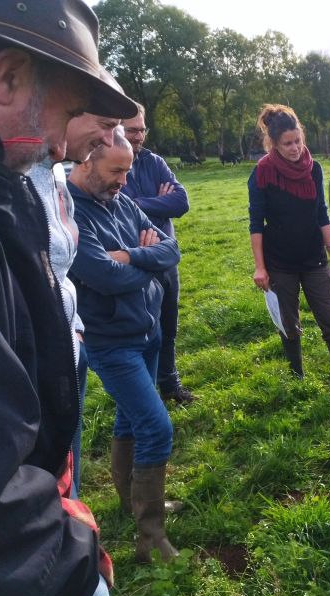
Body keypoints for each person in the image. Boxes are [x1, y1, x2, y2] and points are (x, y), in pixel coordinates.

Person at [0, 0, 137, 596]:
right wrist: (69, 550)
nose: (64, 141)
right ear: (8, 78)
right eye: (69, 111)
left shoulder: (8, 192)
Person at [69, 130, 182, 564]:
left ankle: (130, 501)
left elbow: (170, 249)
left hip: (147, 330)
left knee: (131, 420)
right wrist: (145, 262)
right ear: (86, 160)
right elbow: (103, 276)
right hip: (111, 342)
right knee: (157, 427)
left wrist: (131, 256)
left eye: (128, 170)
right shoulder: (71, 212)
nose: (124, 179)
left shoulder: (123, 201)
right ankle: (150, 537)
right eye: (116, 170)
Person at [27, 78, 124, 497]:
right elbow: (99, 270)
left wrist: (75, 328)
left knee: (67, 470)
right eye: (104, 124)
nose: (109, 138)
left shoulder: (54, 171)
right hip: (30, 366)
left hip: (69, 344)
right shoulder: (14, 172)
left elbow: (59, 267)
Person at [249, 104, 330, 386]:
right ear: (273, 143)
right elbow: (255, 224)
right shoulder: (262, 172)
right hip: (280, 262)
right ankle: (297, 377)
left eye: (298, 140)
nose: (294, 148)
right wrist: (260, 268)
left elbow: (321, 213)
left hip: (314, 258)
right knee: (289, 323)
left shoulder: (314, 169)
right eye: (287, 143)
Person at [122, 103, 194, 402]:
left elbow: (181, 202)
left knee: (168, 323)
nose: (138, 136)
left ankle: (169, 384)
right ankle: (144, 393)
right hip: (134, 260)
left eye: (142, 129)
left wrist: (138, 202)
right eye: (131, 130)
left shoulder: (154, 161)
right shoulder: (106, 161)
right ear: (116, 129)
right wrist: (153, 201)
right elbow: (118, 209)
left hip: (165, 257)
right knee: (142, 330)